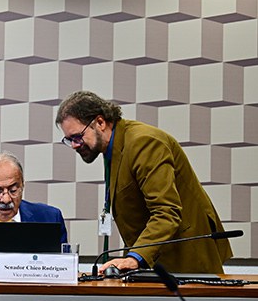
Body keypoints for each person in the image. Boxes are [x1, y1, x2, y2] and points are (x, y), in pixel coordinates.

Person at [55, 90, 232, 274]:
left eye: (77, 137)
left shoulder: (143, 142)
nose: (74, 145)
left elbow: (166, 212)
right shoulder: (113, 148)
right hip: (157, 261)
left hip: (185, 260)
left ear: (100, 122)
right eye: (69, 140)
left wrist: (135, 258)